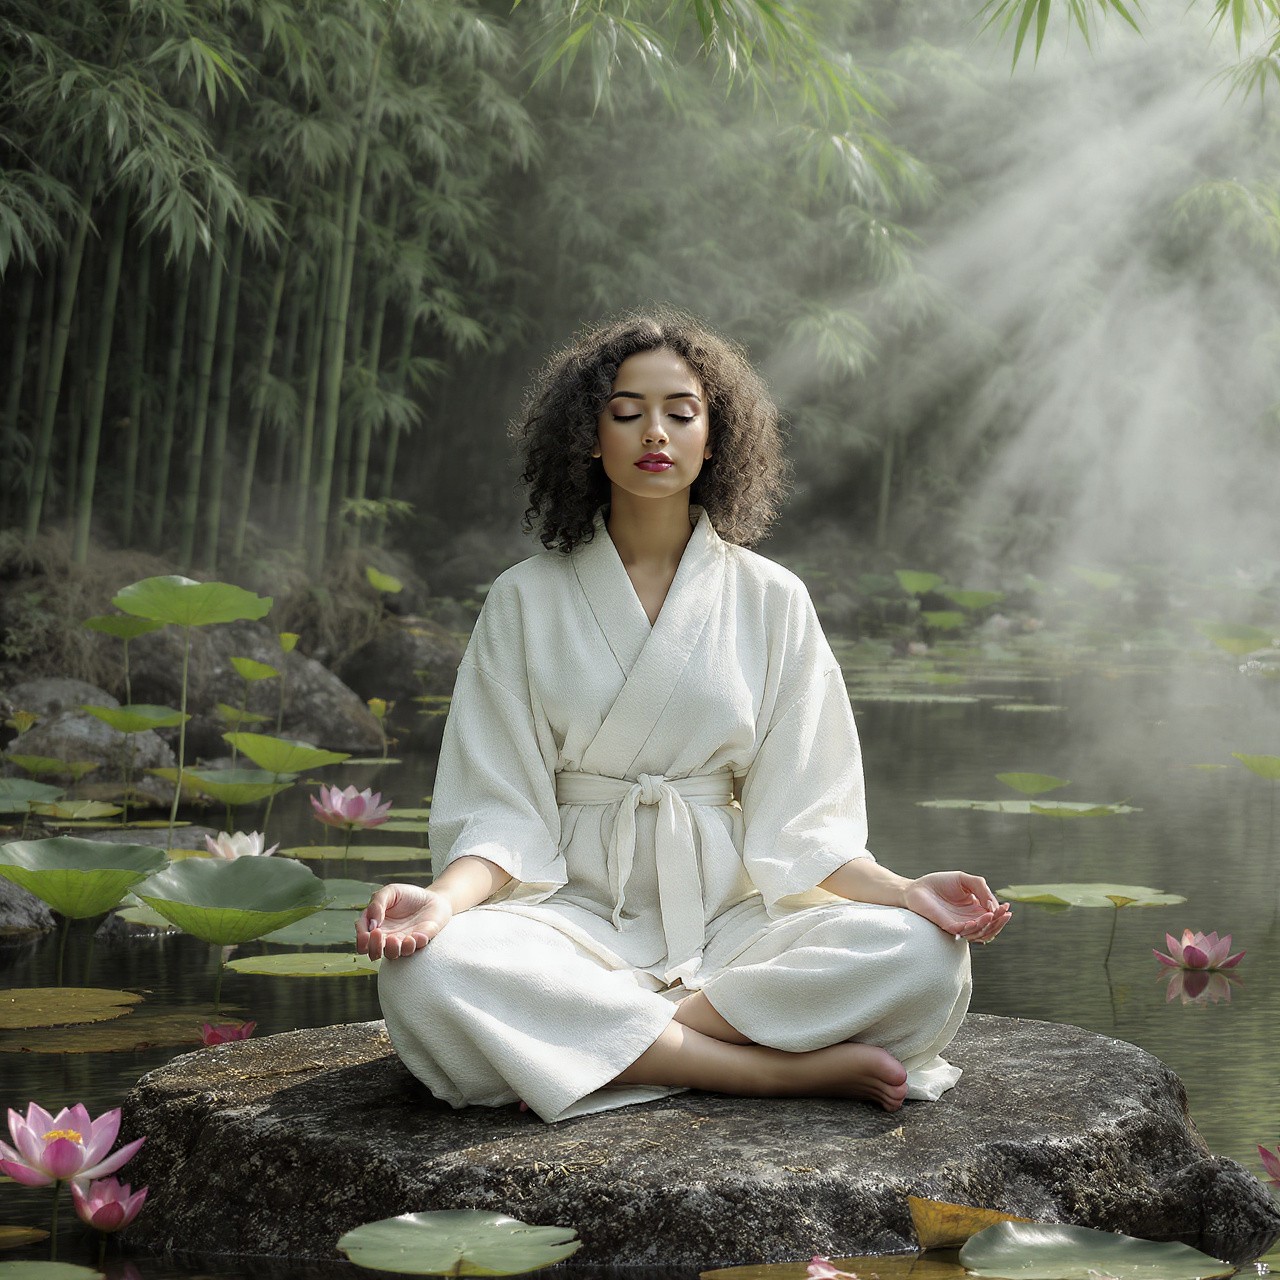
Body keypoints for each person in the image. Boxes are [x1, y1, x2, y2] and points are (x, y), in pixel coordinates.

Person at [356, 309, 1011, 1123]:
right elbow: (500, 812)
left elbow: (806, 823)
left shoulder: (773, 599)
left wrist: (907, 891)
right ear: (589, 437)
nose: (653, 432)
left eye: (681, 412)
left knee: (924, 959)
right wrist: (443, 903)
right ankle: (764, 1069)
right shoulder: (524, 599)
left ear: (716, 437)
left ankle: (613, 1043)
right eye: (626, 412)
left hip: (735, 924)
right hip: (572, 921)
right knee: (428, 972)